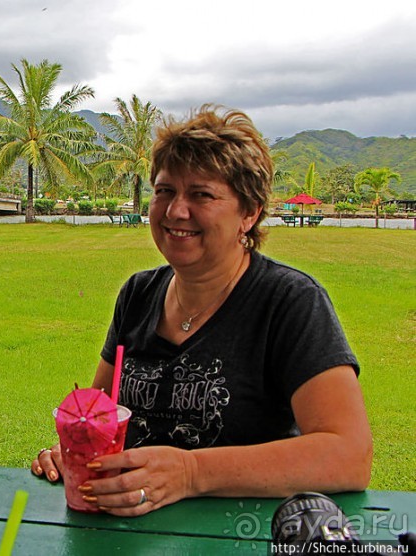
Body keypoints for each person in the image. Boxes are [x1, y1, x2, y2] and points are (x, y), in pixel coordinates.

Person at [32, 105, 372, 516]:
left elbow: (348, 454)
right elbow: (100, 414)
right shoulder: (138, 294)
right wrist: (76, 446)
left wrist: (189, 473)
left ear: (249, 213)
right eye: (164, 191)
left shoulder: (290, 302)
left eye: (201, 194)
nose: (176, 210)